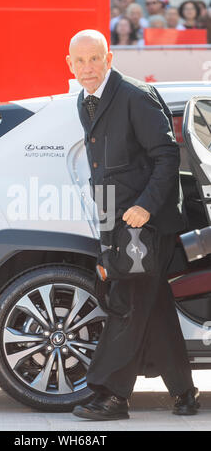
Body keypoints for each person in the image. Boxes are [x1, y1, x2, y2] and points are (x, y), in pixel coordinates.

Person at [66, 29, 199, 420]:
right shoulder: (85, 99)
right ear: (69, 64)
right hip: (119, 222)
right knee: (153, 306)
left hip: (147, 223)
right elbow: (104, 168)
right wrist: (107, 227)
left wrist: (143, 207)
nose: (88, 68)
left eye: (95, 59)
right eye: (80, 60)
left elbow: (166, 157)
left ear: (109, 59)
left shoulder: (135, 97)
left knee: (127, 302)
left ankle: (111, 395)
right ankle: (185, 393)